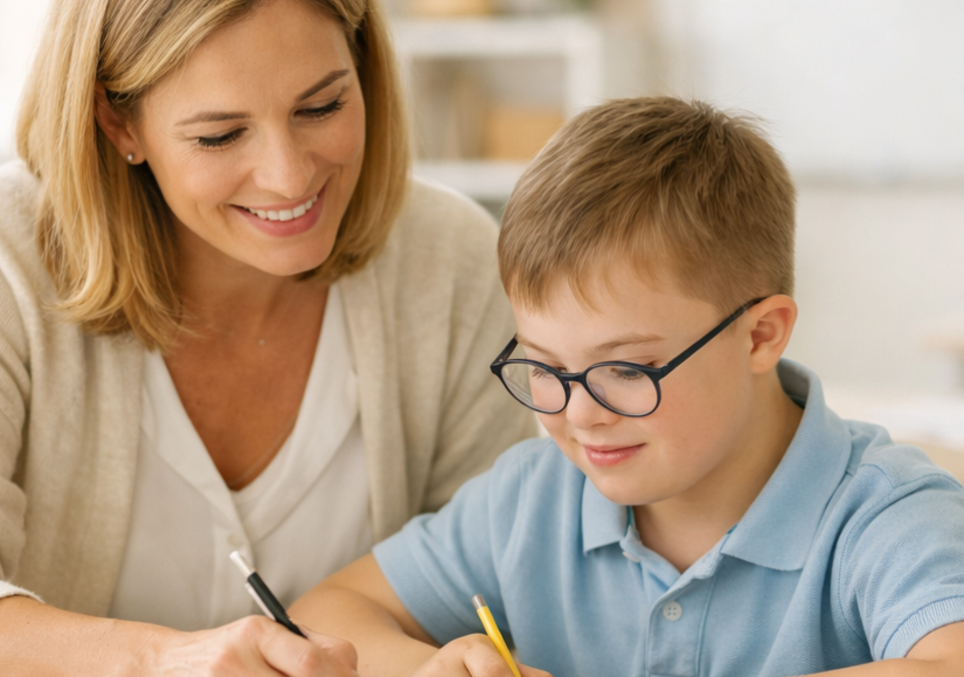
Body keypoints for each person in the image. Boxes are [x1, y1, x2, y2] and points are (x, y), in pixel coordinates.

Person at [0, 0, 537, 675]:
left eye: (322, 105)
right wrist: (156, 661)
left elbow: (504, 570)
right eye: (220, 134)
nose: (288, 175)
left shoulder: (449, 260)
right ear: (117, 122)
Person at [289, 97, 964, 677]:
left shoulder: (884, 511)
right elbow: (328, 611)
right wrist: (423, 667)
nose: (580, 414)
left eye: (625, 370)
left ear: (760, 335)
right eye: (547, 367)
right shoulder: (532, 498)